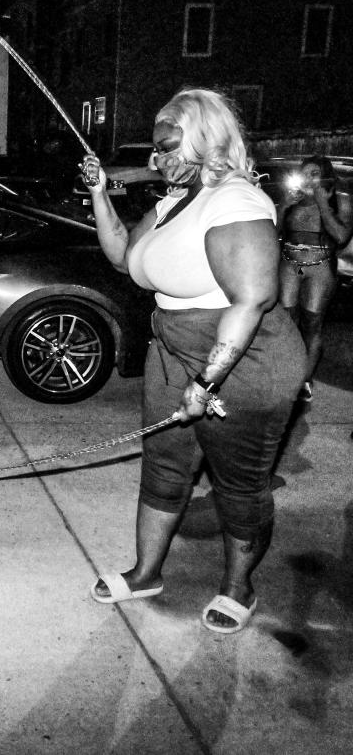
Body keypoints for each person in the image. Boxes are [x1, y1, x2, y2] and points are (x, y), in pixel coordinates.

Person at [80, 88, 306, 635]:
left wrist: (207, 380)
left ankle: (238, 587)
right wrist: (100, 195)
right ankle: (146, 573)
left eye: (171, 146)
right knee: (164, 465)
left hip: (244, 358)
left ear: (208, 140)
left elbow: (252, 298)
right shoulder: (169, 203)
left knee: (239, 483)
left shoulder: (235, 200)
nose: (161, 159)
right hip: (173, 350)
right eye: (158, 149)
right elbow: (120, 257)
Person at [275, 155, 352, 402]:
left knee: (311, 323)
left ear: (325, 177)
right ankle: (288, 372)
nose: (308, 179)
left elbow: (341, 236)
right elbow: (270, 233)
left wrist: (322, 205)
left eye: (314, 174)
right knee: (287, 322)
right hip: (289, 263)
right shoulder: (292, 201)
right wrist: (284, 205)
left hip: (319, 266)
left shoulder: (341, 202)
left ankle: (304, 380)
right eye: (304, 173)